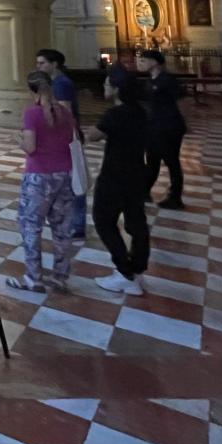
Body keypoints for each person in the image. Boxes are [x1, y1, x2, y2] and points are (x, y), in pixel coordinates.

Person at [6, 72, 77, 293]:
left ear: (32, 91)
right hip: (64, 174)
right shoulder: (65, 112)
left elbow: (31, 148)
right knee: (62, 229)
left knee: (30, 226)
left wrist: (17, 138)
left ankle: (33, 277)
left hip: (38, 176)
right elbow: (70, 139)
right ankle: (59, 277)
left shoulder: (32, 113)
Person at [89, 67, 151, 296]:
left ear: (117, 89)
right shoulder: (140, 111)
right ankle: (138, 267)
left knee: (103, 220)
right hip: (137, 172)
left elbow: (93, 135)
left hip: (115, 174)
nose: (104, 87)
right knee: (136, 222)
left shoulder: (115, 114)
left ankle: (124, 272)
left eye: (107, 84)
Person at [36, 49, 88, 242]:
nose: (38, 66)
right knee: (66, 180)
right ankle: (68, 220)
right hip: (64, 137)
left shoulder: (61, 84)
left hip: (67, 138)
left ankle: (77, 225)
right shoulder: (55, 83)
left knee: (75, 181)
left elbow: (64, 113)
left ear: (54, 64)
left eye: (42, 63)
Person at [137, 49, 187, 209]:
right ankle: (144, 191)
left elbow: (179, 96)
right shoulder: (149, 81)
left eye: (143, 60)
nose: (140, 63)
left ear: (154, 62)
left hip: (169, 127)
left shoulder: (167, 80)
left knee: (172, 161)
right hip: (154, 127)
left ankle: (175, 197)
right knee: (152, 160)